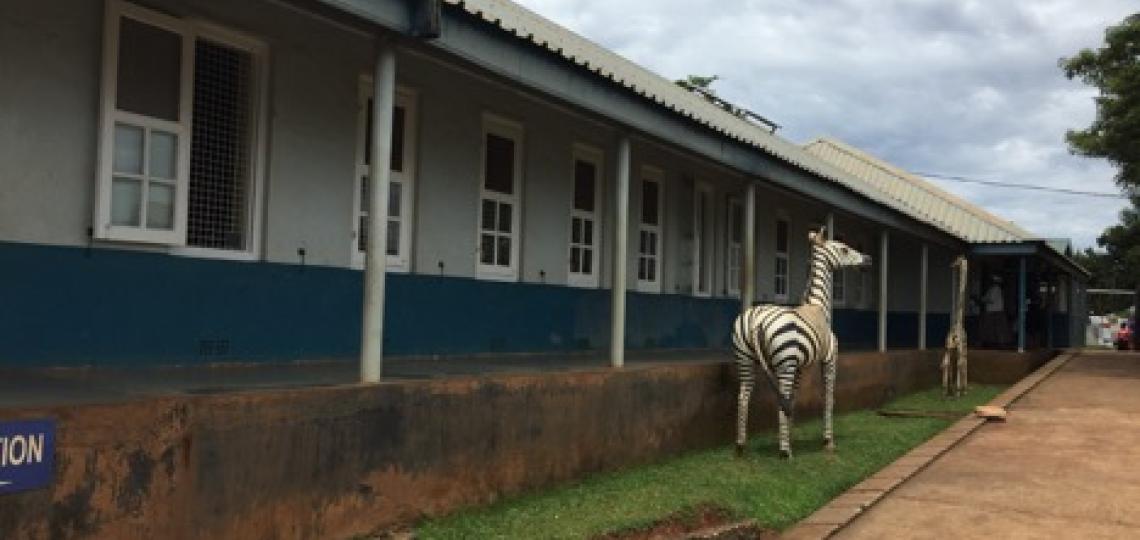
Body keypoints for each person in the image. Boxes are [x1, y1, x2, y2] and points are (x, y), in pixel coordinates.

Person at [980, 276, 1012, 347]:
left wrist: (982, 299)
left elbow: (991, 300)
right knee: (994, 329)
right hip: (992, 311)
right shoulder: (992, 289)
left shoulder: (996, 289)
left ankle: (1001, 343)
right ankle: (995, 343)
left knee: (998, 329)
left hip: (995, 311)